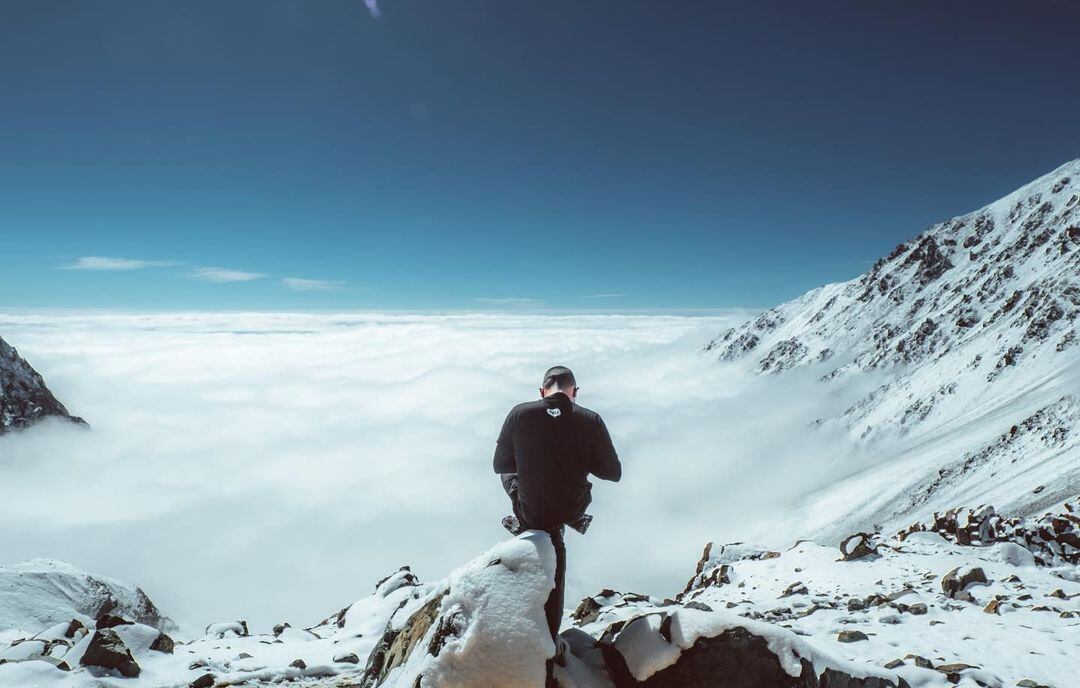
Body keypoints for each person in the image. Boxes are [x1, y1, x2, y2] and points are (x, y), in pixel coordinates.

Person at [492, 365, 622, 659]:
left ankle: (523, 522)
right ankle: (570, 519)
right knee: (558, 525)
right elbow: (612, 472)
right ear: (574, 392)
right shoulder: (591, 420)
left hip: (531, 509)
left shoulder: (519, 413)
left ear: (542, 392)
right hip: (570, 507)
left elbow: (501, 464)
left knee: (511, 476)